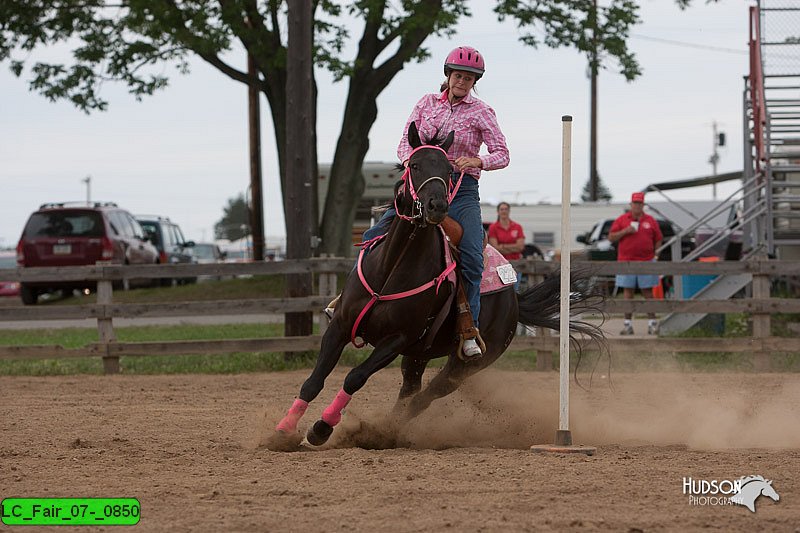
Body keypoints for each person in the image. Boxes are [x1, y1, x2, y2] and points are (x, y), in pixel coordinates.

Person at [359, 45, 510, 358]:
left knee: (471, 255)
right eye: (458, 76)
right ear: (448, 75)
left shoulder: (483, 112)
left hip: (461, 191)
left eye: (469, 78)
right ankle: (352, 306)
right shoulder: (426, 103)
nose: (462, 82)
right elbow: (404, 143)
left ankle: (469, 330)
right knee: (372, 237)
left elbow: (502, 154)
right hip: (422, 186)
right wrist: (412, 162)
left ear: (474, 82)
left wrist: (478, 161)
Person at [608, 192, 663, 335]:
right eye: (635, 203)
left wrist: (656, 254)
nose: (637, 206)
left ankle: (652, 324)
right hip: (626, 261)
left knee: (648, 293)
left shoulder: (650, 220)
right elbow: (611, 237)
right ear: (631, 204)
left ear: (643, 205)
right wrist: (625, 231)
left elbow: (658, 239)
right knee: (628, 293)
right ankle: (627, 325)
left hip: (646, 261)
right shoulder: (622, 220)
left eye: (640, 203)